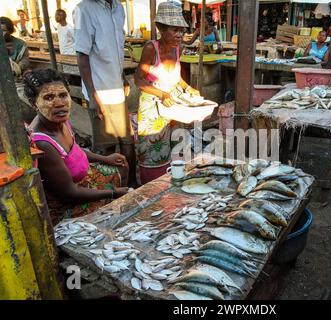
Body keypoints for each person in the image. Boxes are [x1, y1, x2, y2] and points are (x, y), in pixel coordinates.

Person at [23, 69, 130, 225]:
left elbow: (74, 150)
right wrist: (114, 193)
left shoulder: (60, 120)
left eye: (63, 95)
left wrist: (106, 158)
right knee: (109, 216)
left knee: (121, 165)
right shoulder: (43, 143)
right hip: (66, 202)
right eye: (48, 97)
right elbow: (69, 193)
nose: (59, 103)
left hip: (81, 177)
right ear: (35, 104)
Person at [134, 2, 202, 183]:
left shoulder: (177, 48)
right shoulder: (151, 48)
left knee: (176, 145)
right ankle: (151, 188)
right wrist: (161, 94)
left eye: (181, 30)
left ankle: (173, 183)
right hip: (153, 105)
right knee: (153, 150)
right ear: (161, 29)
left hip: (173, 103)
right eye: (174, 30)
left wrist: (188, 88)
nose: (180, 35)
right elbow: (138, 79)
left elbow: (175, 76)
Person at [74, 0, 137, 188]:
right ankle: (109, 190)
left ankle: (131, 184)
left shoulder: (118, 9)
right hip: (100, 91)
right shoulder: (84, 9)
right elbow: (82, 55)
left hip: (117, 89)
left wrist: (122, 76)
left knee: (128, 143)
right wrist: (93, 95)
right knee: (105, 147)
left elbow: (115, 50)